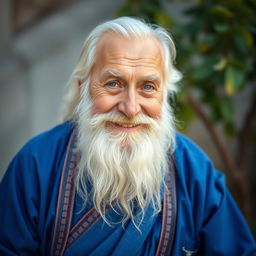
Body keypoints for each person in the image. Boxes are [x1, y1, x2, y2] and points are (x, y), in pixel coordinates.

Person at [0, 17, 255, 256]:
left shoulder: (194, 171)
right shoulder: (36, 165)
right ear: (83, 90)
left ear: (164, 95)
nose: (131, 108)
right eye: (113, 84)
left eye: (147, 87)